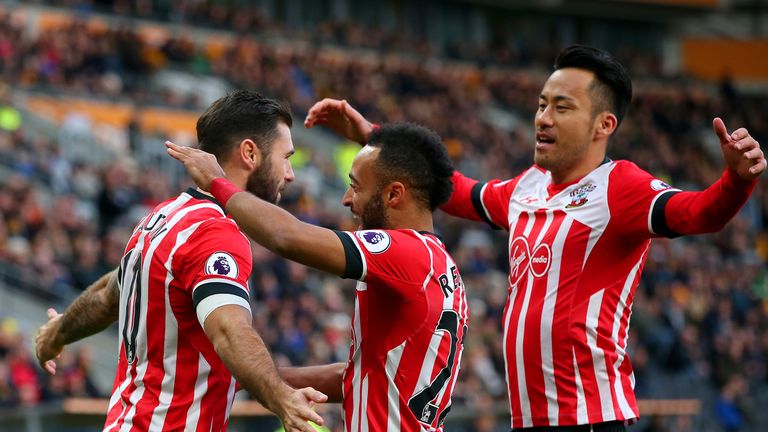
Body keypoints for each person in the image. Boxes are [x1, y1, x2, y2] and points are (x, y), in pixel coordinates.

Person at [301, 45, 766, 431]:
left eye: (562, 107)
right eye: (542, 103)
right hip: (529, 419)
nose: (543, 117)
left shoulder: (620, 186)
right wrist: (379, 141)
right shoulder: (528, 187)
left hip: (590, 417)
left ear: (604, 125)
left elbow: (699, 213)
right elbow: (456, 191)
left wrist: (737, 181)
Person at [35, 90, 327, 432]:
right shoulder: (215, 231)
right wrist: (282, 398)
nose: (290, 174)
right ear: (250, 153)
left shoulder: (159, 218)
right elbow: (228, 330)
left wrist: (58, 332)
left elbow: (107, 296)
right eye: (286, 157)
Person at [165, 121, 469, 432]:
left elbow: (287, 236)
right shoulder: (443, 269)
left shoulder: (407, 253)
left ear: (394, 194)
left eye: (356, 186)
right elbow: (359, 377)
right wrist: (257, 377)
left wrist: (217, 181)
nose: (346, 199)